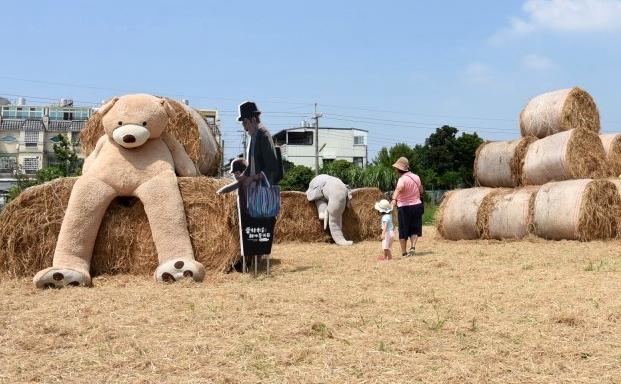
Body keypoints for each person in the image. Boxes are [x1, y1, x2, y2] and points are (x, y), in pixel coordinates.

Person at [390, 157, 424, 257]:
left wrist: (393, 200)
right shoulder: (416, 177)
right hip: (417, 205)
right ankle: (413, 247)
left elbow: (399, 189)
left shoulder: (401, 179)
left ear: (398, 169)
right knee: (414, 228)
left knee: (403, 230)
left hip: (404, 208)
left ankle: (404, 252)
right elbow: (421, 190)